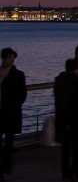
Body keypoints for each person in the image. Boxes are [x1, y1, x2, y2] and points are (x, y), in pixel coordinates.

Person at [0, 48, 27, 181]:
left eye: (9, 57)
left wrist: (14, 106)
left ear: (13, 59)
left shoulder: (18, 74)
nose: (6, 59)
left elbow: (22, 93)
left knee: (9, 141)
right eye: (5, 57)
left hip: (11, 112)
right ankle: (5, 163)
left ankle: (5, 166)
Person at [53, 59, 77, 180]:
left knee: (65, 149)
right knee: (76, 146)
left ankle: (65, 172)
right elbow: (71, 103)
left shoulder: (59, 80)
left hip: (61, 119)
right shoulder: (73, 82)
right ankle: (72, 172)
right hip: (72, 120)